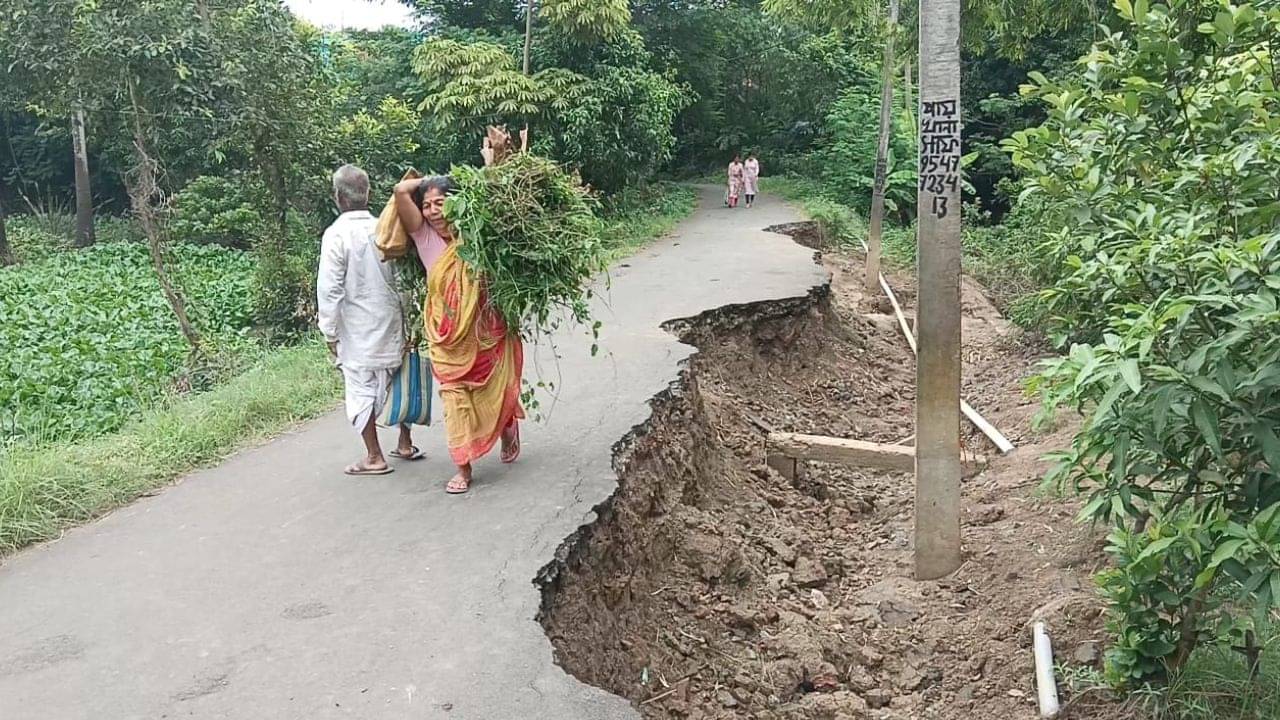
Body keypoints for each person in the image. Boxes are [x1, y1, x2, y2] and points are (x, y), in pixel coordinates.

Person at [392, 158, 524, 495]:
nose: (434, 211)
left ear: (459, 202)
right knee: (454, 397)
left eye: (441, 203)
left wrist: (484, 167)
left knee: (492, 386)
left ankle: (506, 421)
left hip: (484, 329)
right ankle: (463, 468)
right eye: (428, 205)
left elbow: (492, 196)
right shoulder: (423, 237)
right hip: (446, 336)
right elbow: (399, 191)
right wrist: (429, 183)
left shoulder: (476, 232)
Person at [318, 164, 422, 476]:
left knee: (360, 388)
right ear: (369, 194)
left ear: (337, 196)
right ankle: (405, 441)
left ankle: (374, 456)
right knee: (398, 378)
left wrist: (329, 332)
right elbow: (406, 278)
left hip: (358, 329)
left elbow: (330, 288)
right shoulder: (385, 228)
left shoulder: (336, 235)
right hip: (392, 319)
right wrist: (411, 318)